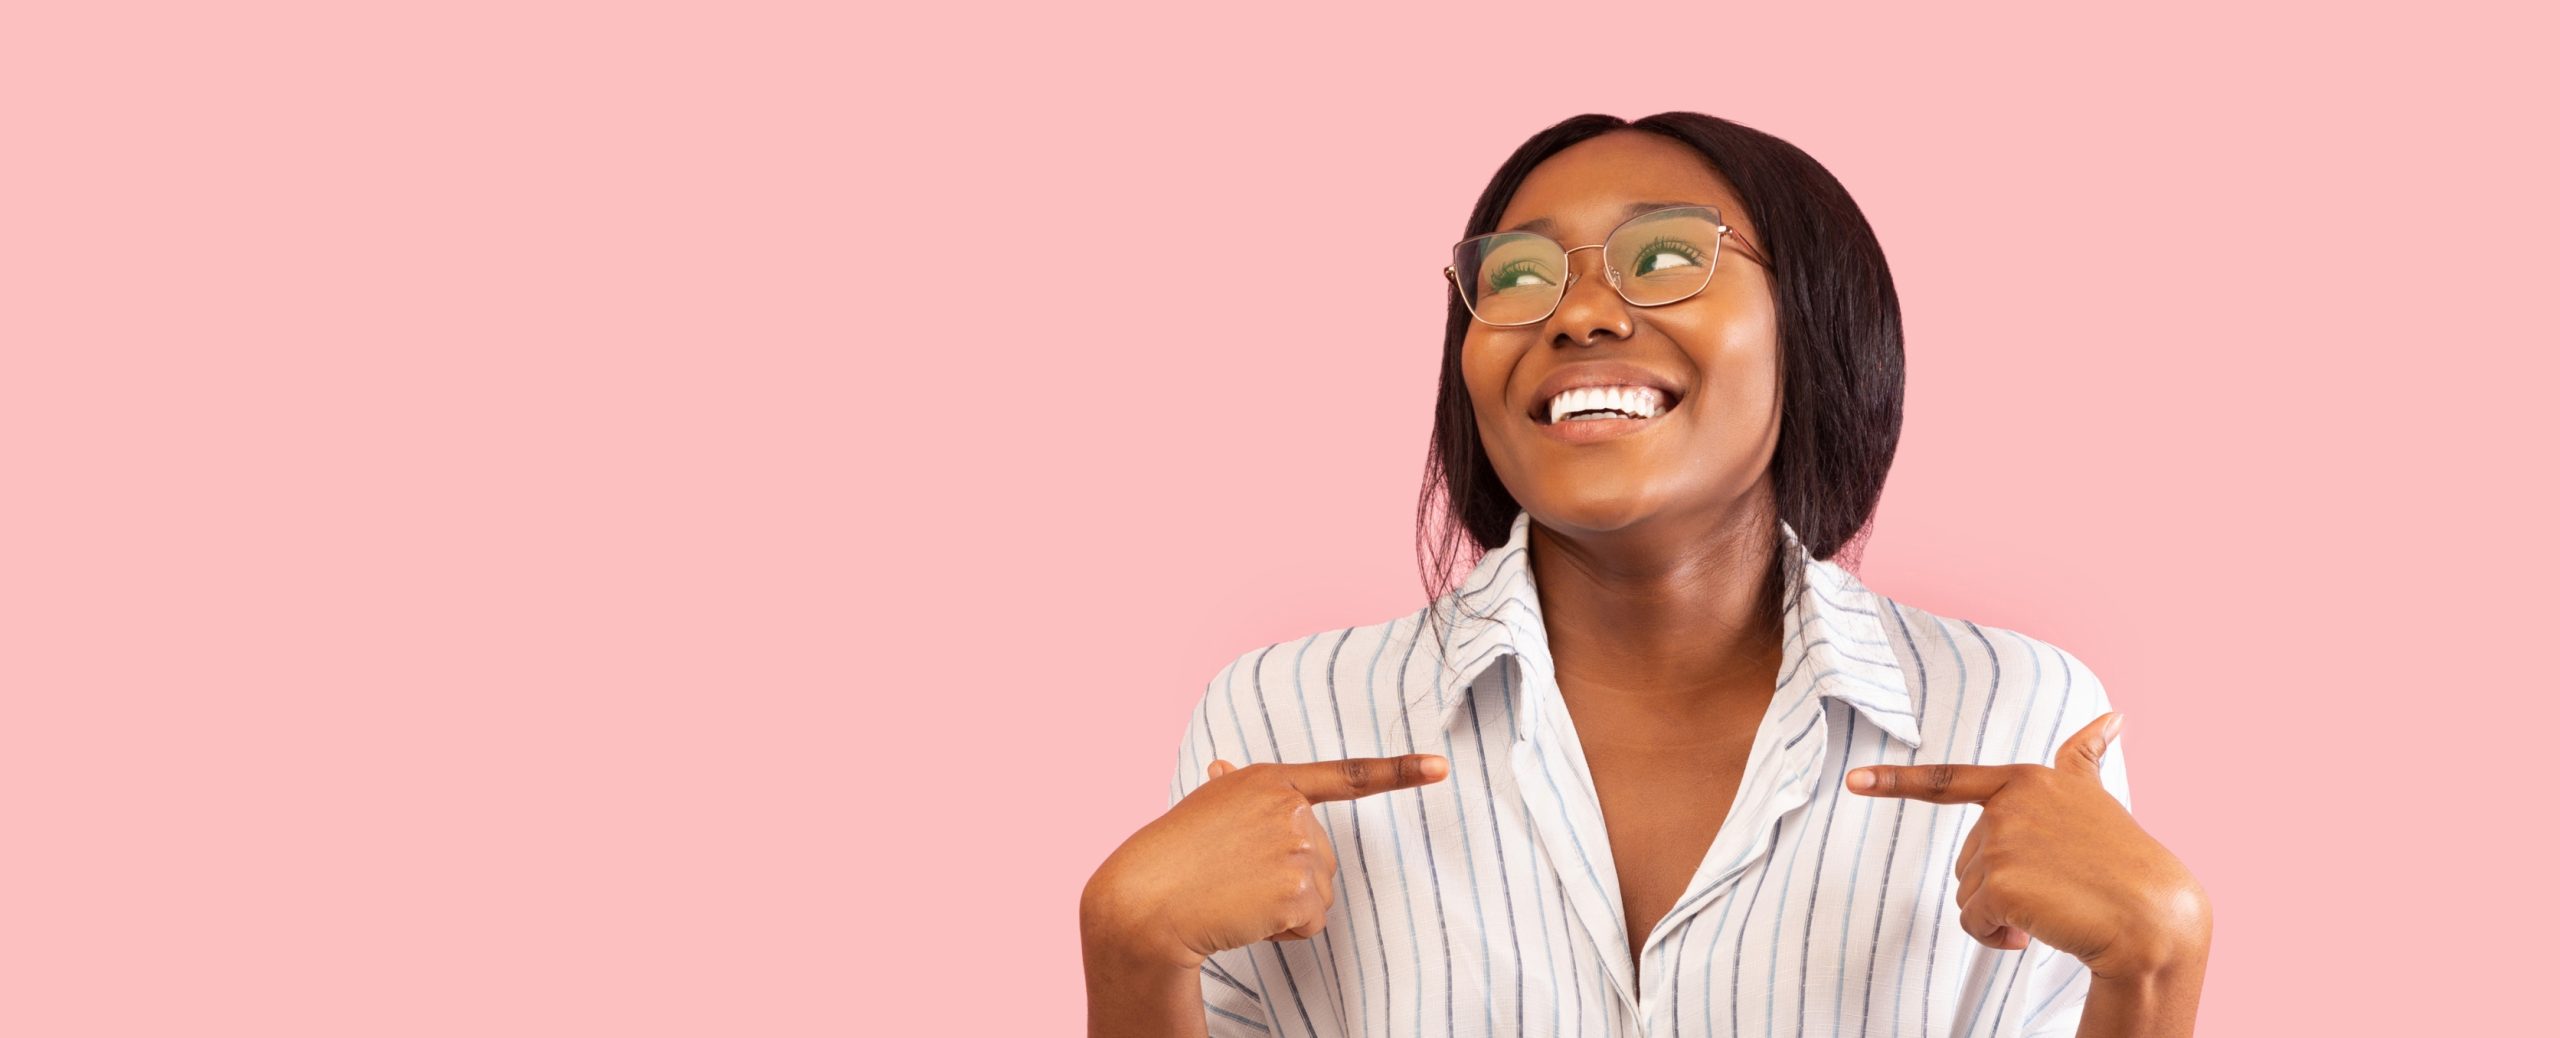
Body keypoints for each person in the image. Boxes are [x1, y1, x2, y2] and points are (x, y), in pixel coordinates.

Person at [1079, 111, 2211, 1038]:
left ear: (1811, 323)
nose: (1577, 312)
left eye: (1666, 257)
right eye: (1514, 277)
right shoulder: (1276, 721)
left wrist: (2153, 975)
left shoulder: (2016, 717)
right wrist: (1131, 958)